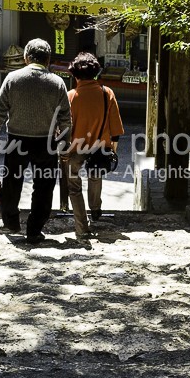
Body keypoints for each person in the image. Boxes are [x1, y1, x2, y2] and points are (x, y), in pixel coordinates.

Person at [0, 38, 72, 244]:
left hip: (17, 140)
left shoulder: (12, 79)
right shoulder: (57, 82)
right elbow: (65, 118)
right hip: (47, 142)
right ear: (48, 59)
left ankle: (12, 222)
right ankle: (34, 229)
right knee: (44, 186)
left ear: (26, 57)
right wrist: (64, 144)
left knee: (12, 183)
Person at [63, 52, 125, 239]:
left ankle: (82, 228)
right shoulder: (107, 94)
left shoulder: (70, 96)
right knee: (95, 177)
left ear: (75, 75)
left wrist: (63, 151)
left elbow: (64, 129)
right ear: (96, 73)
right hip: (100, 147)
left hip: (75, 148)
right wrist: (112, 149)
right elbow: (116, 129)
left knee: (74, 187)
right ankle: (96, 208)